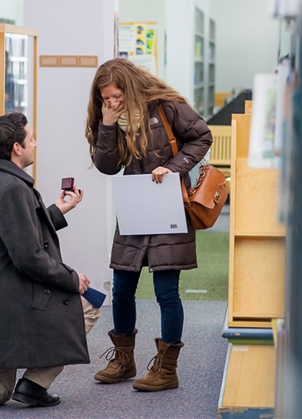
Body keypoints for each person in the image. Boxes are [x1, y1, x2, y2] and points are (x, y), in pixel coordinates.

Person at [85, 58, 212, 392]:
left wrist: (173, 168)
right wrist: (108, 125)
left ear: (129, 88)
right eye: (105, 99)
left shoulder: (167, 104)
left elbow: (201, 137)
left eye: (116, 97)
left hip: (169, 204)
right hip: (134, 206)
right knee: (122, 288)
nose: (111, 103)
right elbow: (107, 167)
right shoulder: (109, 117)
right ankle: (124, 362)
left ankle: (166, 370)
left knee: (166, 292)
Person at [0, 112, 96, 407]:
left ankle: (17, 382)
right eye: (30, 138)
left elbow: (18, 232)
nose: (35, 143)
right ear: (17, 147)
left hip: (2, 292)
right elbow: (29, 256)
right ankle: (34, 384)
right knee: (91, 304)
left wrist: (57, 210)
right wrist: (71, 277)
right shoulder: (14, 188)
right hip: (15, 294)